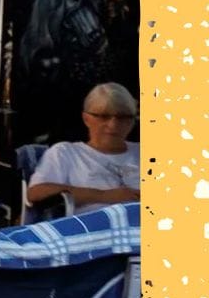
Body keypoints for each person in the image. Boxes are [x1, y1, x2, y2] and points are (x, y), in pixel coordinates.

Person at [26, 83, 141, 214]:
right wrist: (104, 195)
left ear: (132, 121)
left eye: (123, 117)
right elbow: (36, 193)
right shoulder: (65, 153)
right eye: (104, 116)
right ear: (86, 119)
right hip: (93, 230)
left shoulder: (148, 153)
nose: (113, 124)